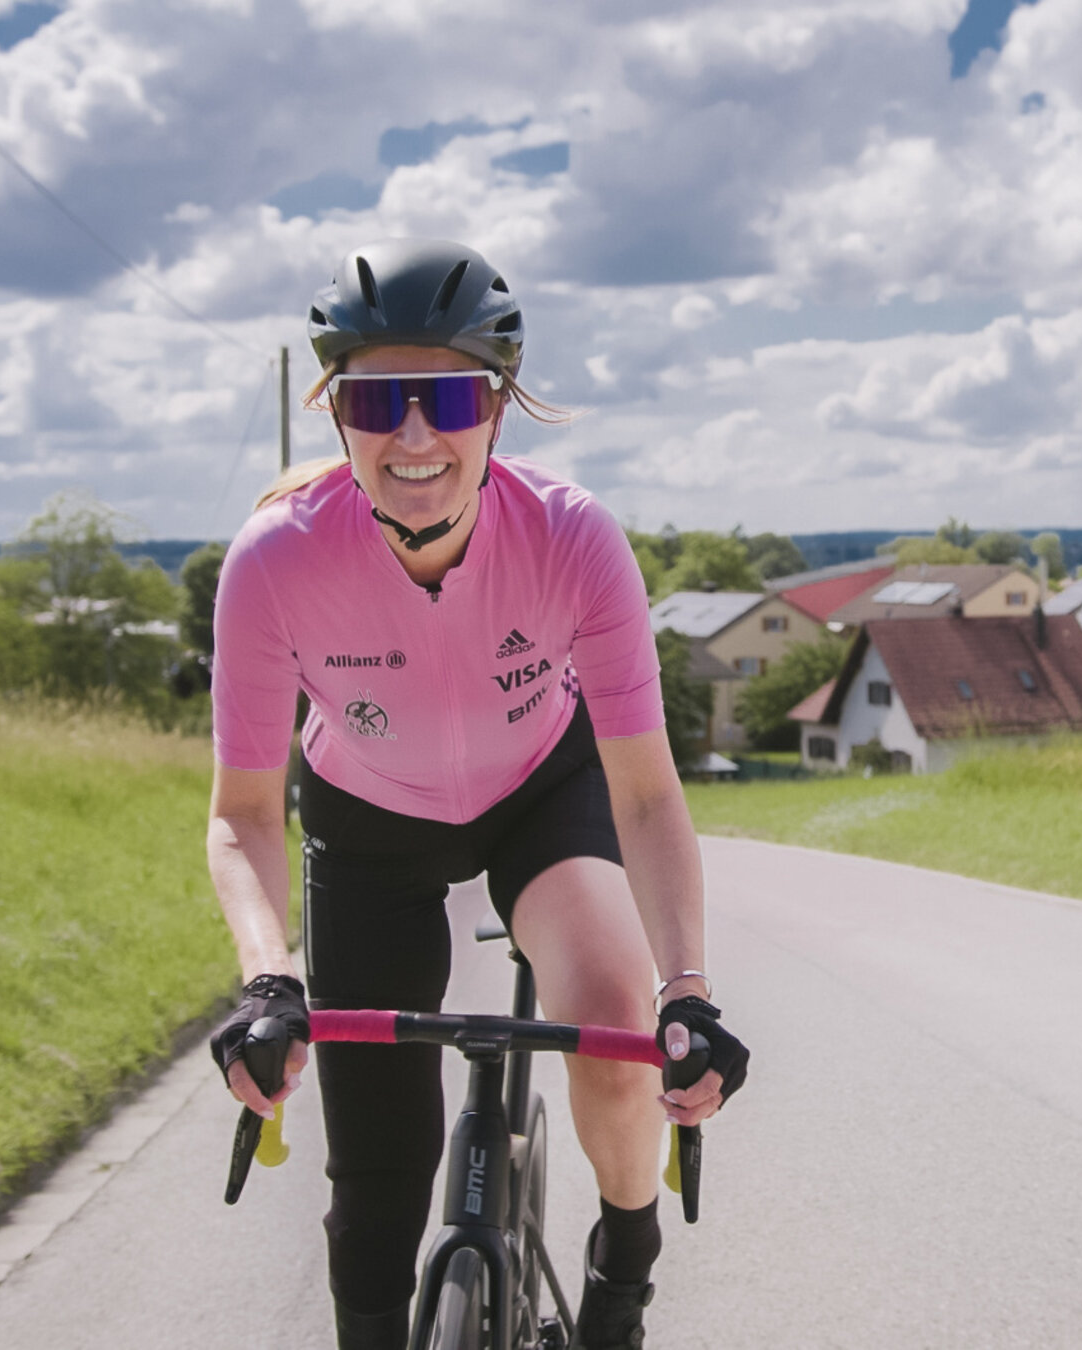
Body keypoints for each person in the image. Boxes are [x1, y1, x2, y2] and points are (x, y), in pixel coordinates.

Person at [202, 239, 749, 1350]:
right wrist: (267, 980)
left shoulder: (572, 539)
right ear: (338, 414)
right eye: (374, 399)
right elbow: (247, 813)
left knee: (608, 1024)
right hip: (366, 832)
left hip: (540, 797)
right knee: (375, 1199)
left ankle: (625, 1272)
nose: (413, 434)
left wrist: (685, 992)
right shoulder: (273, 564)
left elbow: (643, 795)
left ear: (496, 405)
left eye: (447, 394)